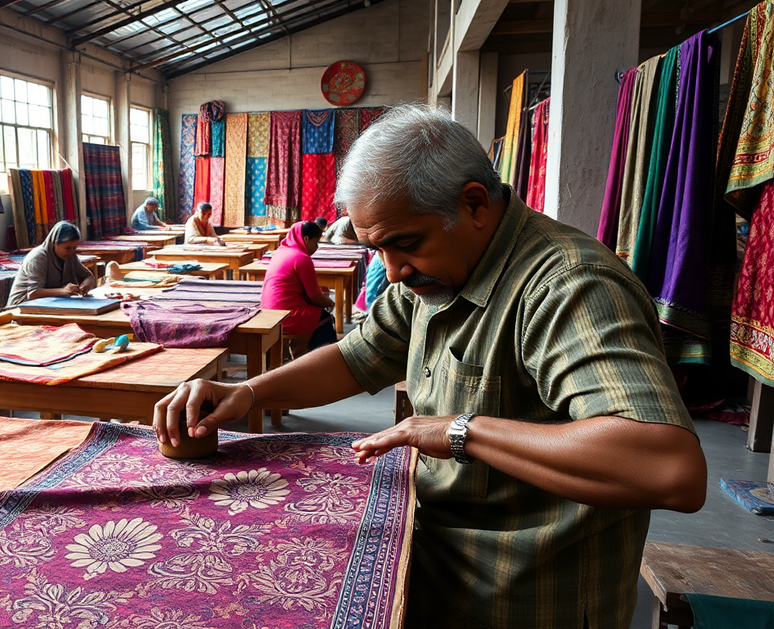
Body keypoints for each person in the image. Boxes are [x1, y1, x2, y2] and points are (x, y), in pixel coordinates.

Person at [153, 105, 706, 629]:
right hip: (437, 553)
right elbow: (357, 357)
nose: (393, 272)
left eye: (403, 244)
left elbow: (666, 468)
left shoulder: (569, 287)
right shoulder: (435, 271)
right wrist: (247, 394)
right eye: (377, 251)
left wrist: (458, 431)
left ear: (474, 204)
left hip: (526, 593)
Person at [260, 221, 337, 357]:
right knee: (324, 317)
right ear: (307, 239)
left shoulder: (280, 252)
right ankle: (313, 356)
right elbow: (314, 296)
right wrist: (330, 303)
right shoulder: (302, 258)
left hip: (268, 309)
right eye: (316, 242)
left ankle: (293, 353)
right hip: (288, 315)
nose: (317, 247)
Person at [6, 221, 96, 306]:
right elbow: (33, 294)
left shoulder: (70, 256)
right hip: (22, 306)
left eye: (74, 248)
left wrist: (85, 286)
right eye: (68, 248)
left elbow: (88, 276)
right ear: (55, 243)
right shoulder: (38, 258)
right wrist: (62, 291)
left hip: (51, 303)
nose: (71, 252)